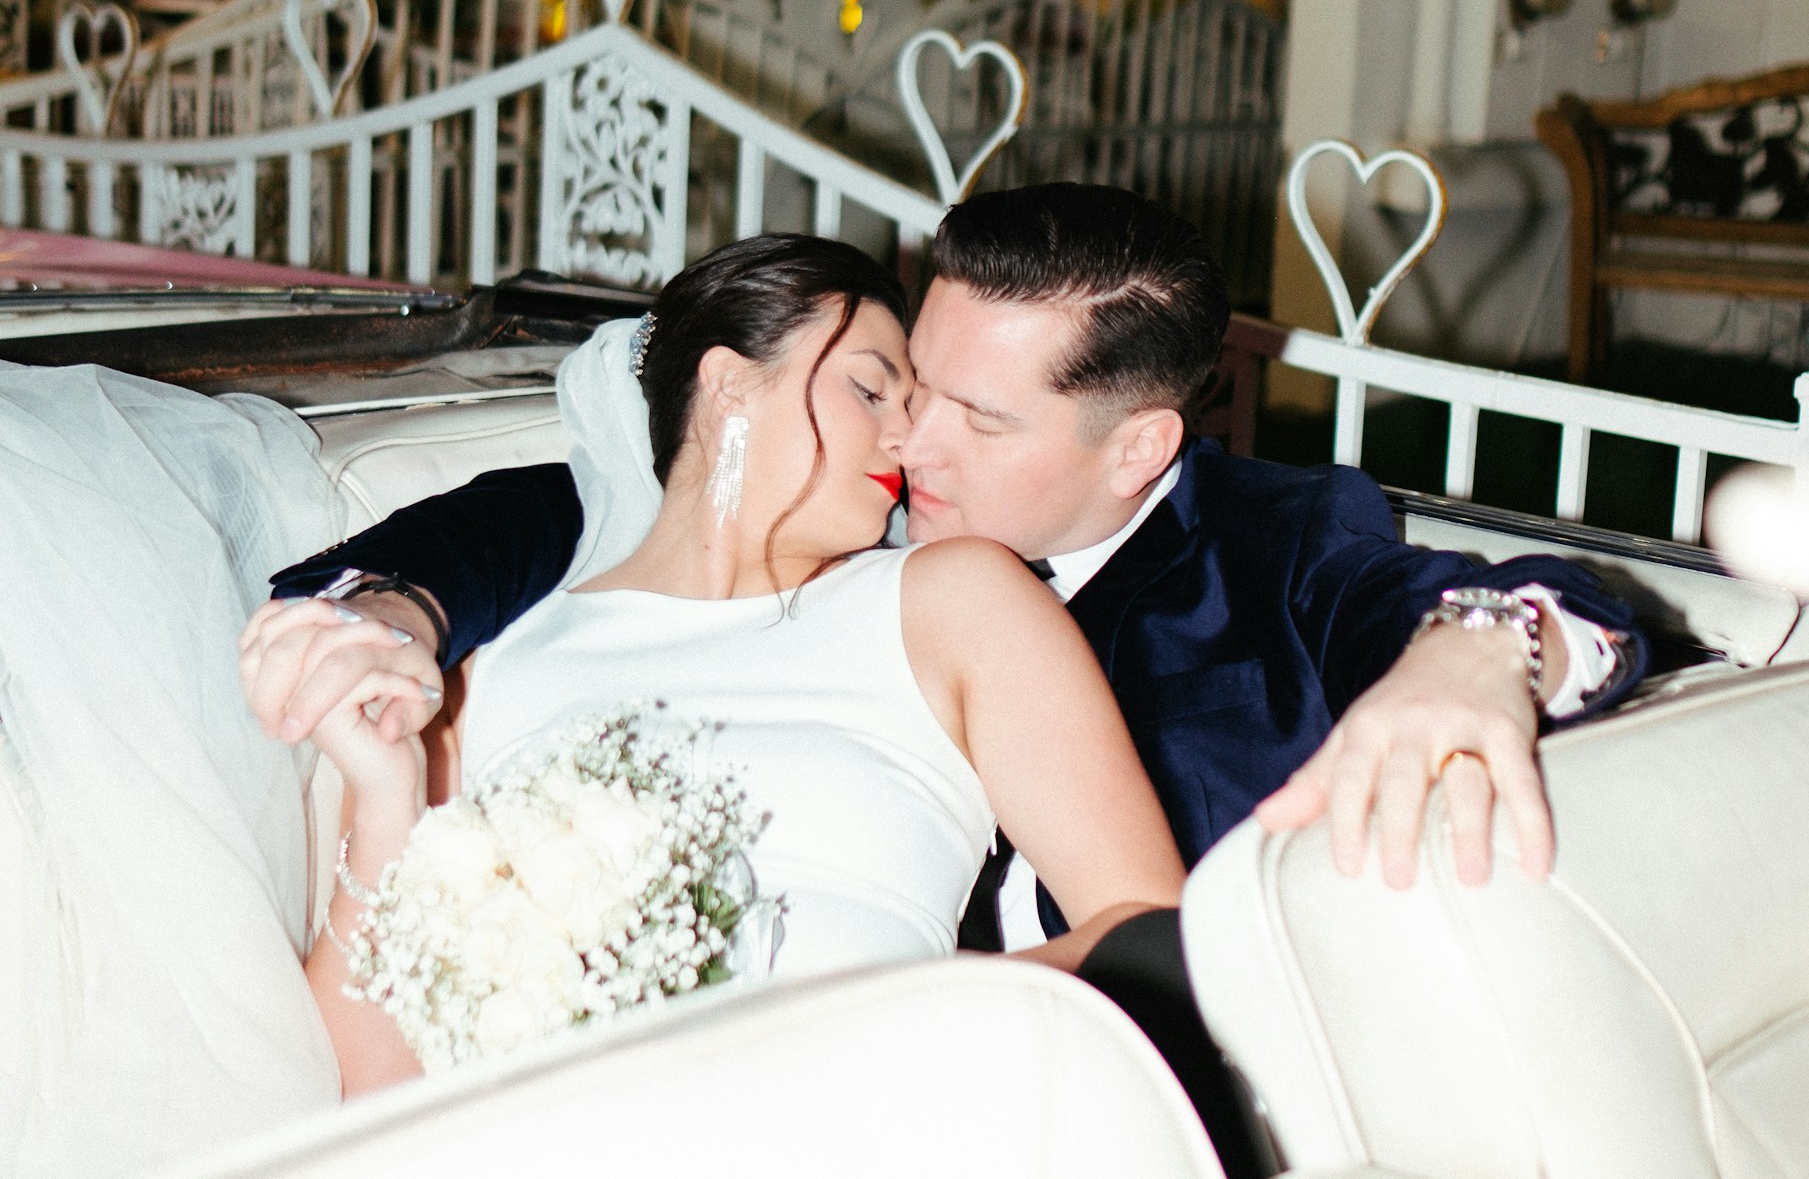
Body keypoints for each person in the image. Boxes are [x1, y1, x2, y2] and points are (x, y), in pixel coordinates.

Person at [265, 185, 1645, 943]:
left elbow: (1578, 610)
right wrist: (393, 606)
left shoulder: (1273, 547)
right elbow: (578, 507)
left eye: (978, 420)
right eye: (911, 383)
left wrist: (1480, 653)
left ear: (1138, 447)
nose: (911, 436)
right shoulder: (868, 514)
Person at [244, 236, 1189, 1103]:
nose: (908, 439)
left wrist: (891, 1015)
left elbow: (1147, 926)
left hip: (872, 1121)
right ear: (730, 383)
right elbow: (376, 1083)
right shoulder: (493, 668)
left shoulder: (956, 602)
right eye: (871, 391)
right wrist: (385, 791)